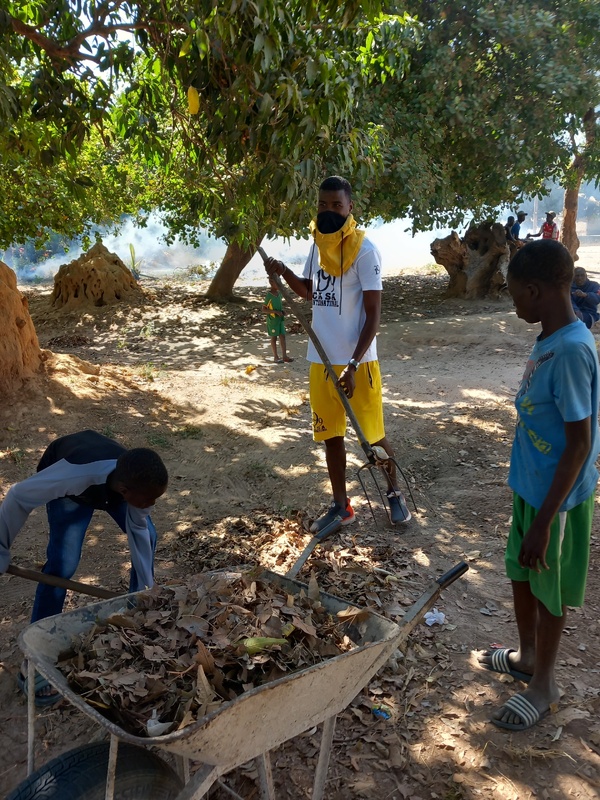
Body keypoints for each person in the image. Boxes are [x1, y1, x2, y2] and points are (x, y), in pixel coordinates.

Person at [478, 240, 599, 731]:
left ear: (534, 290)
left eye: (514, 295)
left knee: (549, 587)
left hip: (558, 501)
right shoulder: (550, 337)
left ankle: (544, 682)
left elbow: (579, 442)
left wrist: (546, 522)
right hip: (531, 489)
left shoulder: (571, 350)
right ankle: (527, 657)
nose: (512, 304)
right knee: (521, 572)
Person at [263, 175, 410, 534]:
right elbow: (311, 292)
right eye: (322, 205)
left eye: (336, 206)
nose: (328, 211)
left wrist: (355, 364)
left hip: (358, 362)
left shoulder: (366, 250)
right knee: (331, 436)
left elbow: (374, 315)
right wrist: (282, 275)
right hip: (321, 360)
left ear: (350, 208)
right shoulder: (317, 245)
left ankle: (394, 494)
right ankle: (341, 506)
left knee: (373, 436)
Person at [0, 429, 168, 705]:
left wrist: (145, 592)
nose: (151, 506)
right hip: (72, 489)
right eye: (149, 501)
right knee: (62, 565)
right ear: (126, 491)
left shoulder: (138, 486)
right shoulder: (71, 476)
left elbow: (139, 531)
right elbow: (18, 495)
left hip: (113, 481)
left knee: (148, 534)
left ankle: (135, 611)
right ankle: (36, 656)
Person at [262, 275, 293, 363]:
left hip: (280, 319)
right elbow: (264, 309)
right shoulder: (269, 296)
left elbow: (279, 306)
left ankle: (284, 356)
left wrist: (282, 311)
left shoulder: (279, 294)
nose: (279, 285)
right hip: (273, 320)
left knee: (282, 336)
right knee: (274, 337)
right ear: (272, 283)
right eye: (277, 283)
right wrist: (275, 312)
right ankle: (276, 357)